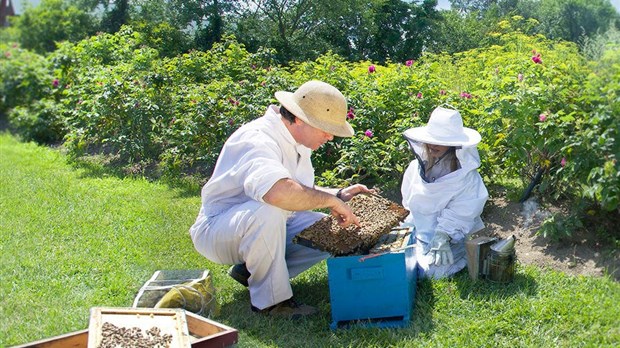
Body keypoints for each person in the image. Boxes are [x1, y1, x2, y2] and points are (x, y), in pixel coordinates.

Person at [189, 80, 373, 318]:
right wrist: (331, 202)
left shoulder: (297, 139)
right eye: (324, 128)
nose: (330, 136)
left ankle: (250, 271)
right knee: (270, 210)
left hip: (261, 222)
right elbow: (277, 193)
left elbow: (298, 189)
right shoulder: (257, 139)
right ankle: (272, 303)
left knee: (333, 230)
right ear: (298, 118)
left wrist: (338, 195)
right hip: (218, 229)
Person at [400, 106, 489, 279]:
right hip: (417, 233)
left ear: (454, 144)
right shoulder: (414, 167)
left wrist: (443, 236)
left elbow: (464, 212)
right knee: (394, 259)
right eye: (431, 139)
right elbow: (408, 204)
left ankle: (459, 255)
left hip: (448, 240)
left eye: (440, 141)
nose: (433, 144)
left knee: (430, 272)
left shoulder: (468, 178)